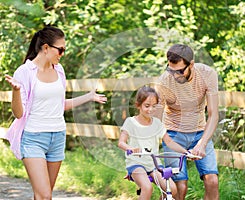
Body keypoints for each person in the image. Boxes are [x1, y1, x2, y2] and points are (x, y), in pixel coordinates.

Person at [4, 26, 107, 200]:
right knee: (44, 196)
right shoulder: (24, 72)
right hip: (33, 138)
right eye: (60, 49)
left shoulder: (59, 71)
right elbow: (18, 114)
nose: (62, 53)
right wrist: (15, 91)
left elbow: (60, 105)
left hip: (57, 137)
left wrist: (89, 97)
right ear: (45, 48)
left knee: (44, 195)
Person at [155, 44, 219, 200]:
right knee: (179, 187)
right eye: (171, 70)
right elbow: (156, 121)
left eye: (179, 71)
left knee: (212, 181)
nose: (175, 75)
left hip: (200, 132)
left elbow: (213, 114)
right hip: (173, 134)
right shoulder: (164, 81)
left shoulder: (207, 74)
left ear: (191, 64)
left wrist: (202, 144)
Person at [118, 86, 191, 200]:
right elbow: (121, 143)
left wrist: (186, 152)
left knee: (172, 189)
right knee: (147, 188)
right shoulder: (130, 122)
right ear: (138, 105)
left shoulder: (157, 123)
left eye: (154, 106)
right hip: (136, 163)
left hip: (154, 164)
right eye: (147, 106)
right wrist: (131, 148)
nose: (151, 109)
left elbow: (170, 142)